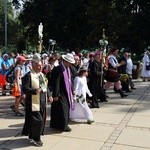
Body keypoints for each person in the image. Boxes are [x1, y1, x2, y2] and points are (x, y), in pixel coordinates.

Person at [21, 54, 53, 147]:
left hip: (42, 101)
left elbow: (45, 87)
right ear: (33, 65)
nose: (40, 67)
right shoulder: (28, 75)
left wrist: (49, 95)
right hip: (32, 102)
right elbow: (25, 88)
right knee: (38, 121)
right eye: (38, 66)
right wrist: (34, 90)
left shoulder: (41, 75)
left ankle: (32, 135)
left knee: (38, 120)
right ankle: (36, 138)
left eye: (41, 65)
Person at [50, 53, 75, 132]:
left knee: (64, 109)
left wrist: (72, 89)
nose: (70, 64)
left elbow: (70, 80)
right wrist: (56, 95)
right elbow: (56, 82)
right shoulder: (58, 69)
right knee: (62, 110)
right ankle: (62, 126)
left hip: (66, 92)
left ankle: (60, 125)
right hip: (60, 93)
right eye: (69, 62)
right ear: (65, 61)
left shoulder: (68, 68)